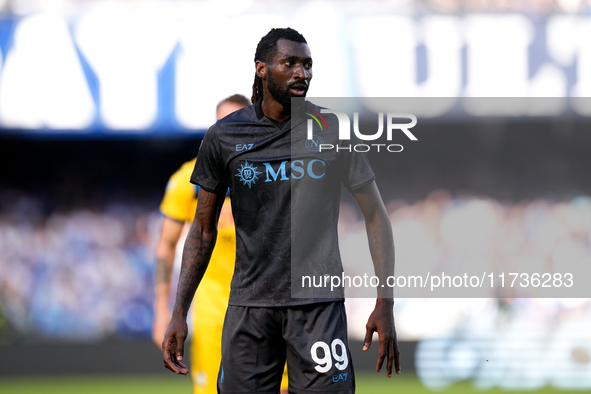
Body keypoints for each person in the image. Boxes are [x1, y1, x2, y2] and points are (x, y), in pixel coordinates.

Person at [163, 28, 400, 393]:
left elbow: (376, 215)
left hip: (317, 308)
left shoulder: (331, 129)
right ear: (261, 69)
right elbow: (203, 229)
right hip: (249, 309)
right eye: (289, 63)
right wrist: (180, 309)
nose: (301, 73)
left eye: (306, 65)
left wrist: (385, 301)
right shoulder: (224, 137)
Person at [154, 94, 292, 394]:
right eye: (225, 124)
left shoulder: (275, 173)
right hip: (212, 313)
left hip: (269, 307)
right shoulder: (187, 182)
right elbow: (165, 246)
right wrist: (161, 310)